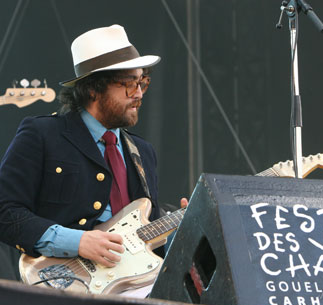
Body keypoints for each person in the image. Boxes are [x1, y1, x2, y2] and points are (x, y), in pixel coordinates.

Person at [0, 24, 186, 271]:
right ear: (93, 89)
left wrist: (181, 228)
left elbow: (147, 240)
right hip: (64, 288)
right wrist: (77, 242)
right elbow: (4, 212)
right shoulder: (42, 134)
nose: (139, 93)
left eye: (143, 82)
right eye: (129, 83)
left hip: (135, 292)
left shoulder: (143, 151)